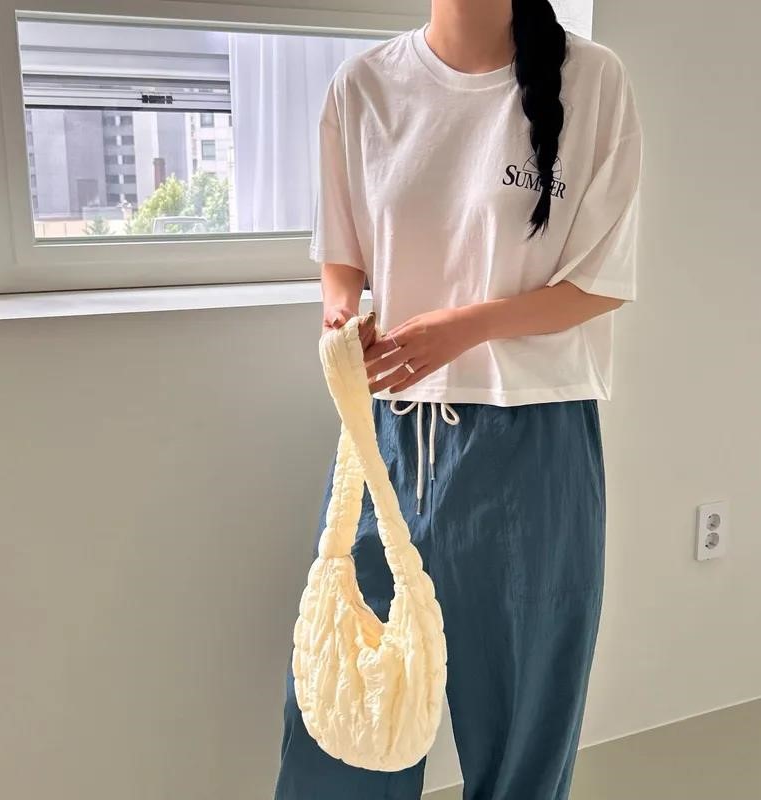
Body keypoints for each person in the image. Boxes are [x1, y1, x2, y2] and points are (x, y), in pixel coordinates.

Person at [274, 0, 643, 797]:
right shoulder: (364, 85)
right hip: (388, 436)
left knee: (525, 722)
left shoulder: (592, 80)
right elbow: (342, 255)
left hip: (532, 439)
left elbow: (601, 280)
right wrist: (341, 317)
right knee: (347, 704)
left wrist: (465, 328)